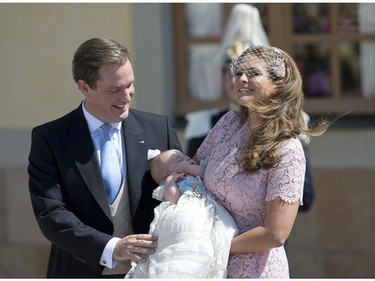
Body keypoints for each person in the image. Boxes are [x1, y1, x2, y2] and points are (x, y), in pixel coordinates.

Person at [27, 37, 182, 278]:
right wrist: (111, 248)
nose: (127, 95)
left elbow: (185, 199)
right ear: (84, 87)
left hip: (152, 271)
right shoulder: (50, 138)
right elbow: (51, 214)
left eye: (130, 84)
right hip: (79, 271)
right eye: (115, 89)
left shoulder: (158, 129)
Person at [193, 45, 331, 278]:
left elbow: (275, 234)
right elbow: (193, 170)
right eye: (237, 73)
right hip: (207, 267)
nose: (241, 79)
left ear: (278, 83)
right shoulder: (228, 123)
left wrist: (216, 247)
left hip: (254, 269)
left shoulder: (288, 148)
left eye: (253, 73)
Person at [125, 149, 238, 278]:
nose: (187, 160)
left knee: (222, 231)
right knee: (185, 232)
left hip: (207, 207)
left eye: (185, 157)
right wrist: (171, 181)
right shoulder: (173, 183)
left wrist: (189, 168)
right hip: (187, 210)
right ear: (165, 176)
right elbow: (173, 198)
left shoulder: (195, 172)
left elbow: (205, 173)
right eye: (180, 160)